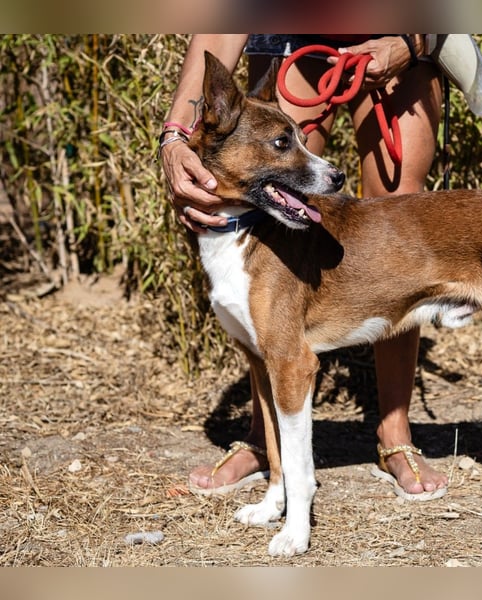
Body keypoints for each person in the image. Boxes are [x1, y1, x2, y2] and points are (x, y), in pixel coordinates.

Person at [160, 34, 448, 501]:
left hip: (400, 37)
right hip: (296, 36)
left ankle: (396, 435)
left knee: (397, 217)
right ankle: (264, 443)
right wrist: (175, 136)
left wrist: (413, 43)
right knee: (275, 205)